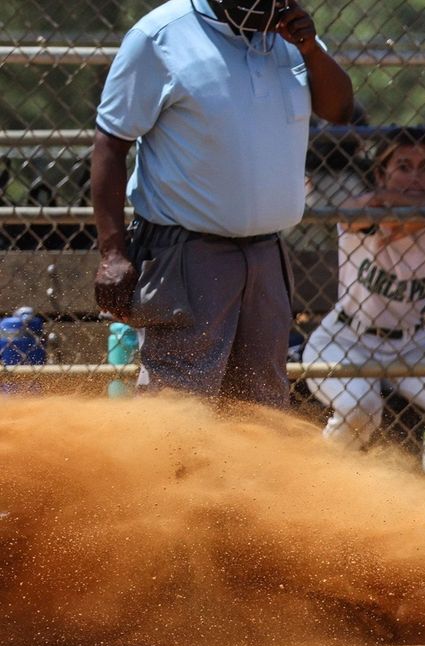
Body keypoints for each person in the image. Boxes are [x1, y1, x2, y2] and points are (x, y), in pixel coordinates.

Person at [91, 0, 354, 407]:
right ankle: (158, 472)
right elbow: (110, 144)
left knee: (260, 400)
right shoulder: (160, 36)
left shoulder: (287, 35)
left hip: (265, 253)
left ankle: (244, 475)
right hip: (186, 252)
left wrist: (310, 49)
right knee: (179, 398)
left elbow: (339, 110)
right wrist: (112, 253)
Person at [301, 129, 425, 484]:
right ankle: (312, 488)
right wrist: (402, 212)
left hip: (411, 345)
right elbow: (350, 215)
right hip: (343, 339)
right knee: (359, 410)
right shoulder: (367, 212)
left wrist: (423, 214)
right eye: (403, 166)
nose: (415, 176)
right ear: (382, 173)